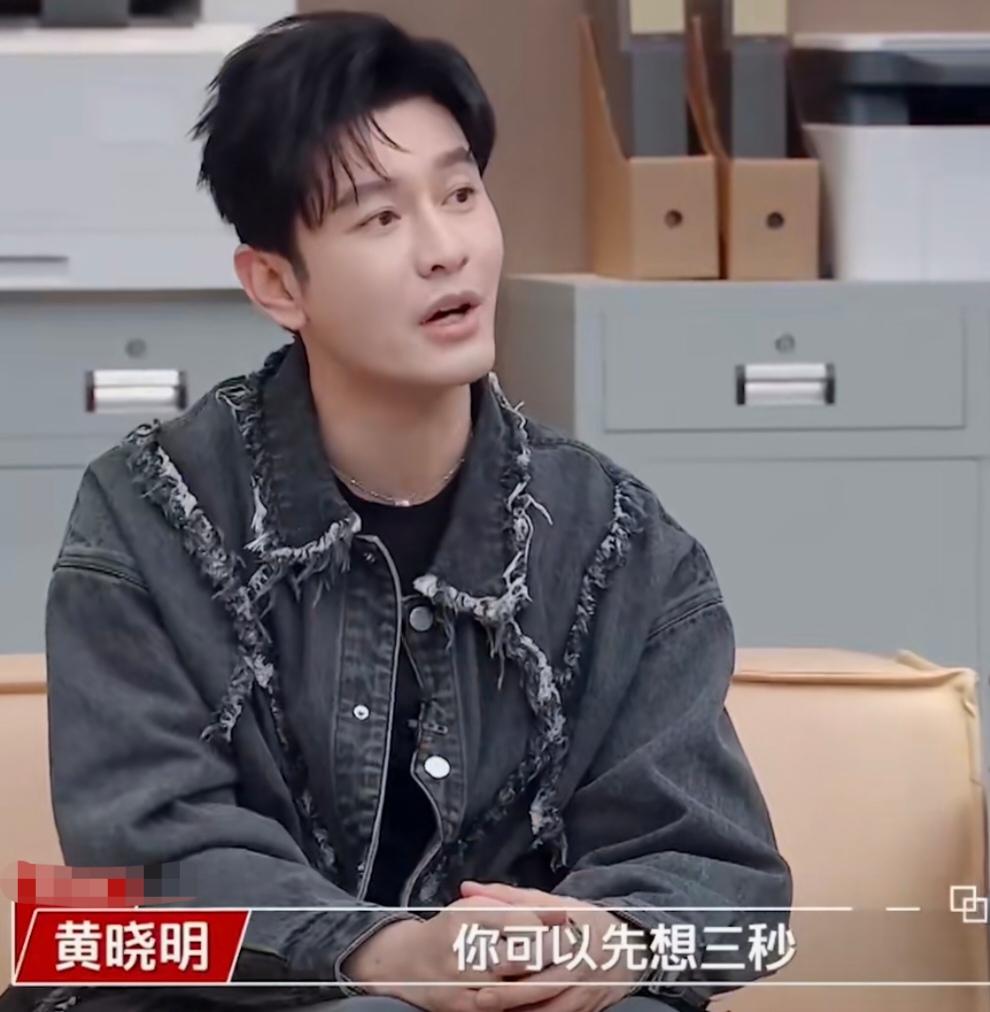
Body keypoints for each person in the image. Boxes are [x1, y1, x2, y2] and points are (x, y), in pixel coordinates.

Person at [3, 11, 792, 1012]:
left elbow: (724, 881)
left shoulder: (617, 540)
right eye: (380, 219)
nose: (445, 249)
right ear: (276, 283)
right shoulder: (152, 513)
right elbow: (147, 861)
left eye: (460, 195)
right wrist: (385, 953)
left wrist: (613, 942)